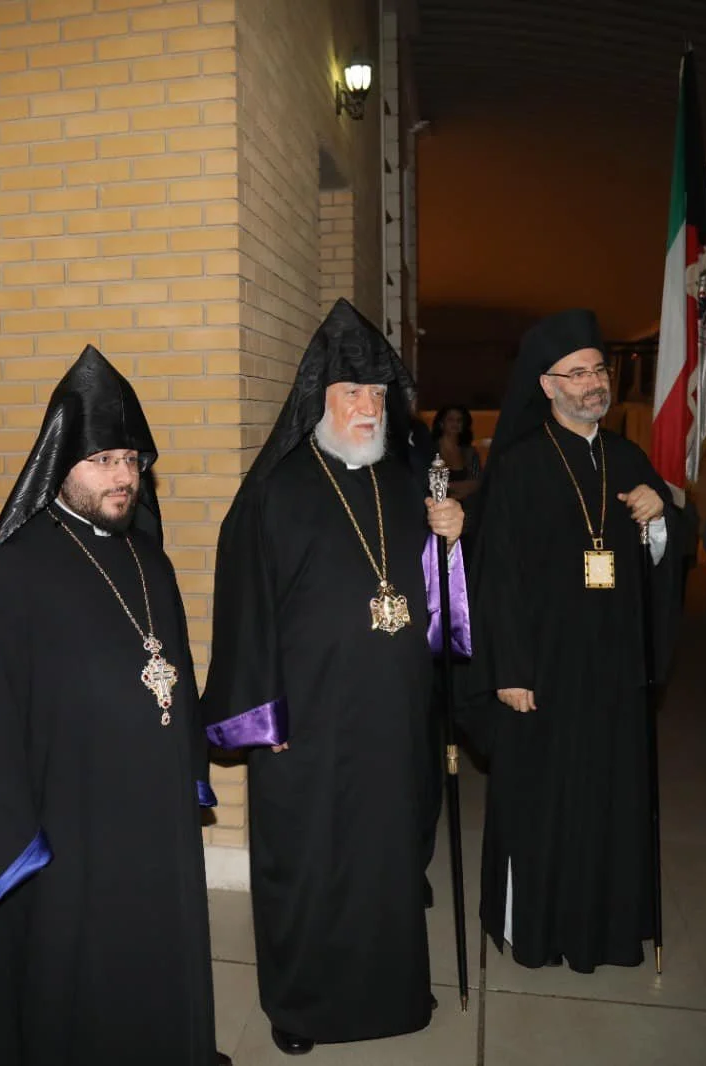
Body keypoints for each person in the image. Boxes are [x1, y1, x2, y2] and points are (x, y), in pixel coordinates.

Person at [202, 299, 466, 1055]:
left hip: (392, 716)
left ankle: (394, 991)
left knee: (388, 858)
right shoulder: (276, 491)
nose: (368, 407)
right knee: (309, 864)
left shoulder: (407, 485)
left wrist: (450, 543)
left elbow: (438, 610)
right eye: (352, 393)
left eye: (378, 394)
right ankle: (303, 1007)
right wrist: (263, 717)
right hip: (308, 724)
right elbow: (244, 611)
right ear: (319, 399)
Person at [0, 346, 230, 1066]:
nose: (122, 476)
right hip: (68, 820)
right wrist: (13, 841)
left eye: (131, 459)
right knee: (80, 976)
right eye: (102, 460)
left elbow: (173, 673)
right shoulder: (10, 574)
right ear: (59, 465)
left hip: (156, 815)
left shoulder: (150, 559)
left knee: (155, 952)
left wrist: (187, 766)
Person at [459, 308, 678, 974]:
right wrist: (509, 668)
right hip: (544, 671)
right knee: (544, 801)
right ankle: (538, 927)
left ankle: (605, 931)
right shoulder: (521, 465)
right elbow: (496, 575)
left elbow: (663, 558)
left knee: (611, 801)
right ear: (547, 386)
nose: (593, 383)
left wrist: (660, 520)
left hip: (614, 668)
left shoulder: (628, 459)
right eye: (577, 373)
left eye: (599, 370)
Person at [431, 403, 484, 499]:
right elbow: (428, 483)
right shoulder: (430, 449)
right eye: (450, 419)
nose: (455, 423)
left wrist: (447, 487)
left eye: (459, 420)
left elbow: (476, 483)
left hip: (467, 505)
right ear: (441, 423)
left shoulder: (470, 452)